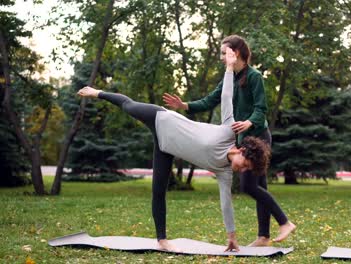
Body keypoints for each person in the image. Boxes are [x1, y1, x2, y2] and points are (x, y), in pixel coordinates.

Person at [77, 47, 272, 252]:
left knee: (158, 190)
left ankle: (161, 239)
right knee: (128, 105)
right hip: (162, 119)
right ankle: (97, 92)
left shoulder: (224, 173)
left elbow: (226, 203)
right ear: (242, 152)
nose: (243, 171)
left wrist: (232, 237)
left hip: (166, 147)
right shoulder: (228, 130)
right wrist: (230, 68)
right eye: (246, 166)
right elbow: (225, 97)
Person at [163, 35, 296, 246]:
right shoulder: (231, 78)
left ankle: (285, 222)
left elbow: (261, 109)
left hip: (258, 137)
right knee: (258, 186)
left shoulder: (254, 77)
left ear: (237, 53)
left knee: (248, 186)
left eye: (225, 53)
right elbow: (210, 100)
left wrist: (249, 123)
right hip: (245, 139)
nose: (222, 58)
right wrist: (184, 106)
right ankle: (264, 236)